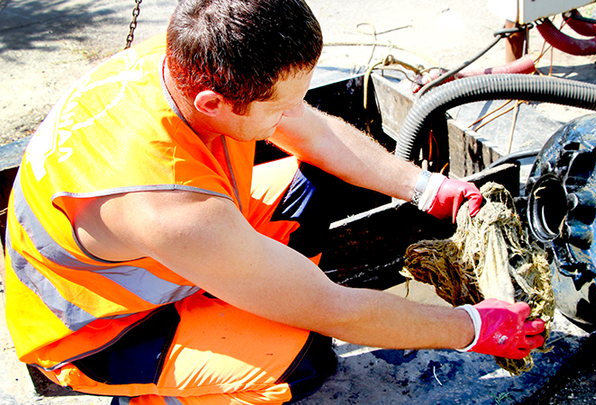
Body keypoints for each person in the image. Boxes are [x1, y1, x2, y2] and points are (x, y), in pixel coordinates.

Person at [3, 0, 546, 404]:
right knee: (303, 362)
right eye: (280, 105)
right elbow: (333, 309)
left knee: (316, 183)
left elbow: (308, 129)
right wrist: (472, 327)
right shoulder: (168, 207)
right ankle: (156, 393)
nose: (295, 111)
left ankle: (260, 289)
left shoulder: (180, 60)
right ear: (213, 102)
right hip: (106, 327)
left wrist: (423, 187)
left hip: (180, 248)